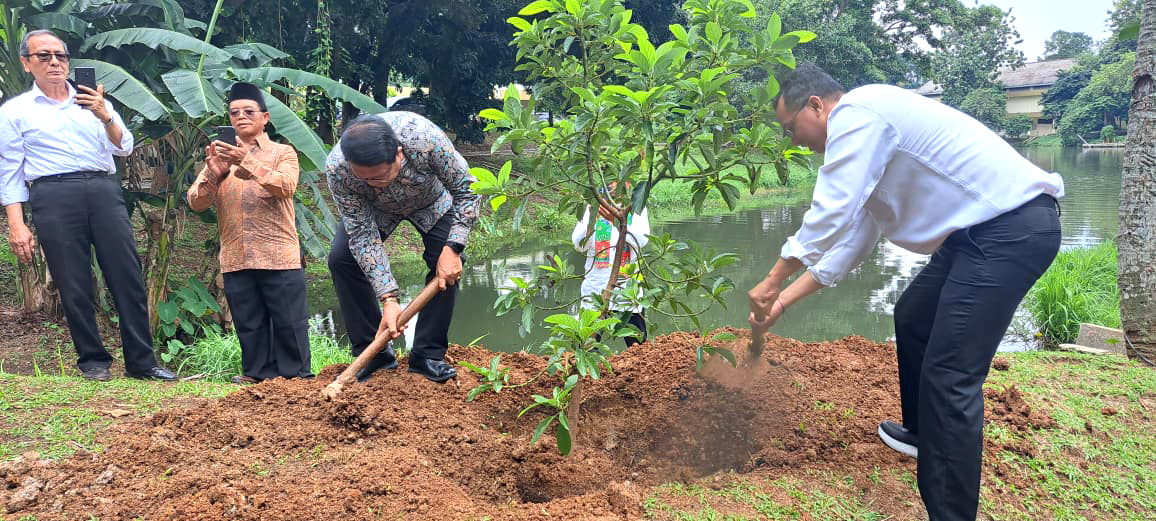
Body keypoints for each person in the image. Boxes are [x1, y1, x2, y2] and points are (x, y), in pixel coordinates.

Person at [746, 64, 1063, 521]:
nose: (793, 141)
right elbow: (852, 241)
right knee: (914, 316)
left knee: (951, 375)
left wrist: (774, 275)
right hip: (974, 238)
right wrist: (781, 302)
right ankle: (923, 435)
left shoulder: (860, 113)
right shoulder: (870, 138)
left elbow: (830, 211)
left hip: (1009, 231)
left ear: (816, 105)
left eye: (791, 128)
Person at [0, 30, 175, 382]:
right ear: (26, 63)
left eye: (61, 56)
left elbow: (124, 146)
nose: (54, 62)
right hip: (53, 193)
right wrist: (16, 225)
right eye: (44, 56)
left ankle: (142, 362)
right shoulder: (14, 112)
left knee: (126, 276)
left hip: (102, 190)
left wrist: (104, 114)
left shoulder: (93, 101)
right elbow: (9, 172)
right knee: (73, 281)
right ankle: (93, 361)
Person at [326, 112, 478, 383]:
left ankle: (427, 355)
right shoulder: (338, 169)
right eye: (367, 180)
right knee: (342, 260)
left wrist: (453, 248)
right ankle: (375, 356)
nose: (377, 184)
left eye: (381, 176)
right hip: (376, 211)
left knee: (445, 264)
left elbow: (468, 191)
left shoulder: (425, 140)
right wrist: (389, 299)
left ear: (399, 153)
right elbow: (362, 234)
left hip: (432, 201)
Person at [187, 83, 311, 384]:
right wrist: (214, 176)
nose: (240, 117)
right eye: (234, 112)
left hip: (278, 254)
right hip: (236, 255)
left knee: (289, 324)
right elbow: (196, 202)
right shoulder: (218, 157)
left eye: (248, 112)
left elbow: (286, 187)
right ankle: (256, 377)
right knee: (249, 324)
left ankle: (297, 382)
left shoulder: (283, 153)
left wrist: (247, 162)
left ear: (265, 117)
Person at [571, 183, 650, 347]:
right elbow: (579, 244)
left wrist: (615, 220)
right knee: (587, 345)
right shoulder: (593, 206)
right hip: (595, 289)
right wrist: (592, 220)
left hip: (627, 290)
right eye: (609, 186)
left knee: (638, 347)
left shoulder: (635, 206)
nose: (613, 189)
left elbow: (641, 240)